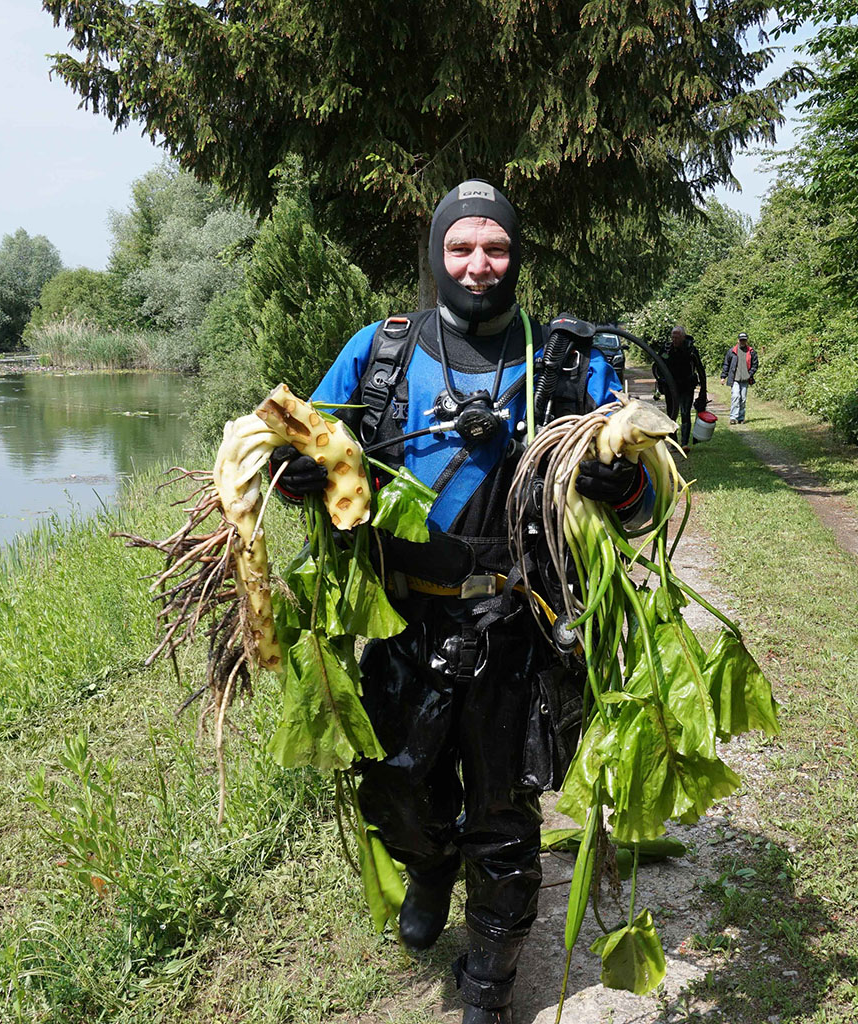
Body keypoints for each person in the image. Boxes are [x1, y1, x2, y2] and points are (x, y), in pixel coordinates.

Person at [267, 180, 653, 1024]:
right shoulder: (379, 353)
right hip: (400, 618)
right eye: (460, 247)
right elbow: (307, 445)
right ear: (436, 255)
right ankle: (428, 864)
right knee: (399, 786)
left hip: (518, 622)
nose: (478, 265)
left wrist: (620, 487)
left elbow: (643, 511)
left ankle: (488, 981)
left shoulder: (566, 365)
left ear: (517, 256)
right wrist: (296, 477)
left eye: (497, 247)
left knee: (505, 815)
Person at [659, 325, 707, 446]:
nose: (674, 340)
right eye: (673, 337)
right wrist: (661, 381)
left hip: (686, 386)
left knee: (685, 413)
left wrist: (703, 390)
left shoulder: (691, 350)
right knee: (671, 414)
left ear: (683, 337)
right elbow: (658, 365)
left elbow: (700, 370)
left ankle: (684, 443)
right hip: (670, 387)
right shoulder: (666, 349)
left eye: (677, 337)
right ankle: (674, 442)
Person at [721, 331, 758, 424]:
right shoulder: (732, 351)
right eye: (741, 340)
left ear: (746, 341)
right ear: (738, 340)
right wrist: (723, 376)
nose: (742, 342)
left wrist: (750, 374)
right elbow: (726, 364)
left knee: (743, 399)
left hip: (745, 379)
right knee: (735, 396)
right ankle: (733, 417)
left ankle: (741, 418)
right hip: (735, 379)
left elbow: (755, 364)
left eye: (744, 340)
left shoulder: (751, 351)